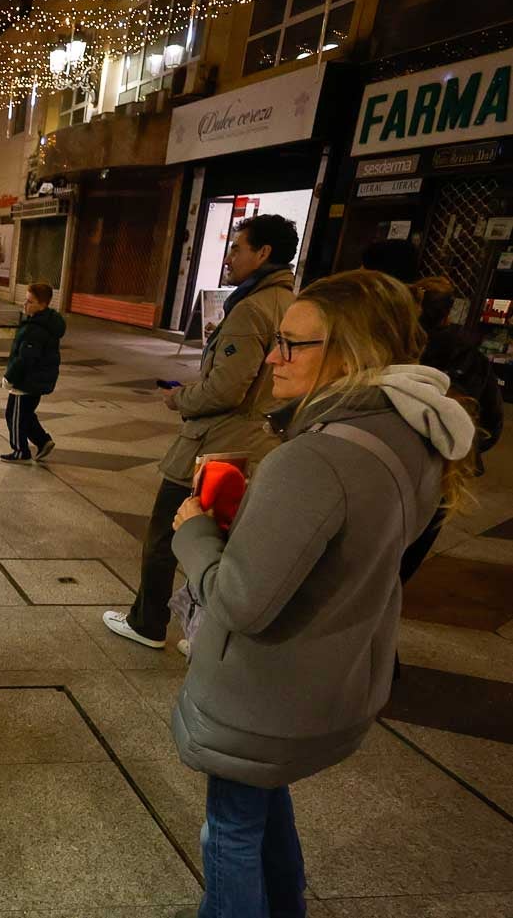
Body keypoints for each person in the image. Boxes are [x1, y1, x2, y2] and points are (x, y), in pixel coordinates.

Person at [167, 269, 473, 918]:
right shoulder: (407, 433)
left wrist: (192, 532)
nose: (272, 358)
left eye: (291, 344)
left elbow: (242, 598)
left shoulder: (312, 459)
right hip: (330, 681)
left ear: (349, 351)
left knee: (230, 830)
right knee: (262, 804)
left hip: (262, 692)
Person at [104, 214, 298, 649]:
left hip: (217, 445)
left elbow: (226, 389)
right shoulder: (291, 304)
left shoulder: (252, 308)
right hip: (260, 442)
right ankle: (207, 630)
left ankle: (148, 622)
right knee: (227, 537)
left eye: (237, 248)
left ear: (263, 253)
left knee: (164, 536)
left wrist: (182, 398)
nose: (229, 256)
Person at [399, 275, 503, 580]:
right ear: (448, 313)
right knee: (411, 552)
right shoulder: (473, 358)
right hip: (447, 468)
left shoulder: (396, 351)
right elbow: (490, 424)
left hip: (395, 460)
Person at [1, 282, 65, 462]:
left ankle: (20, 451)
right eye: (25, 300)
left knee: (13, 415)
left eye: (30, 301)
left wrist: (10, 377)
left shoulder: (36, 329)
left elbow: (26, 359)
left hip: (26, 381)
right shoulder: (43, 322)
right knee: (26, 414)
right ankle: (43, 441)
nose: (25, 304)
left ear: (42, 305)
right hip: (37, 380)